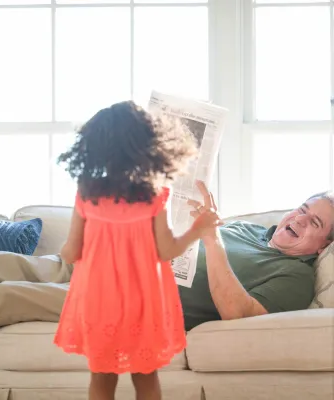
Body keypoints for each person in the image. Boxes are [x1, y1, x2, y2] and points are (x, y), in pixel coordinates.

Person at [54, 101, 223, 400]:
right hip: (141, 301)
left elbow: (70, 252)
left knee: (101, 378)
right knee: (146, 378)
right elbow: (166, 250)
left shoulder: (87, 193)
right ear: (149, 146)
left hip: (98, 299)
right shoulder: (154, 194)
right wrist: (198, 229)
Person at [182, 183, 334, 331]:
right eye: (302, 210)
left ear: (324, 245)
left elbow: (239, 316)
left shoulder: (298, 275)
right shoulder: (245, 227)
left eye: (314, 222)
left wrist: (212, 239)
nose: (300, 219)